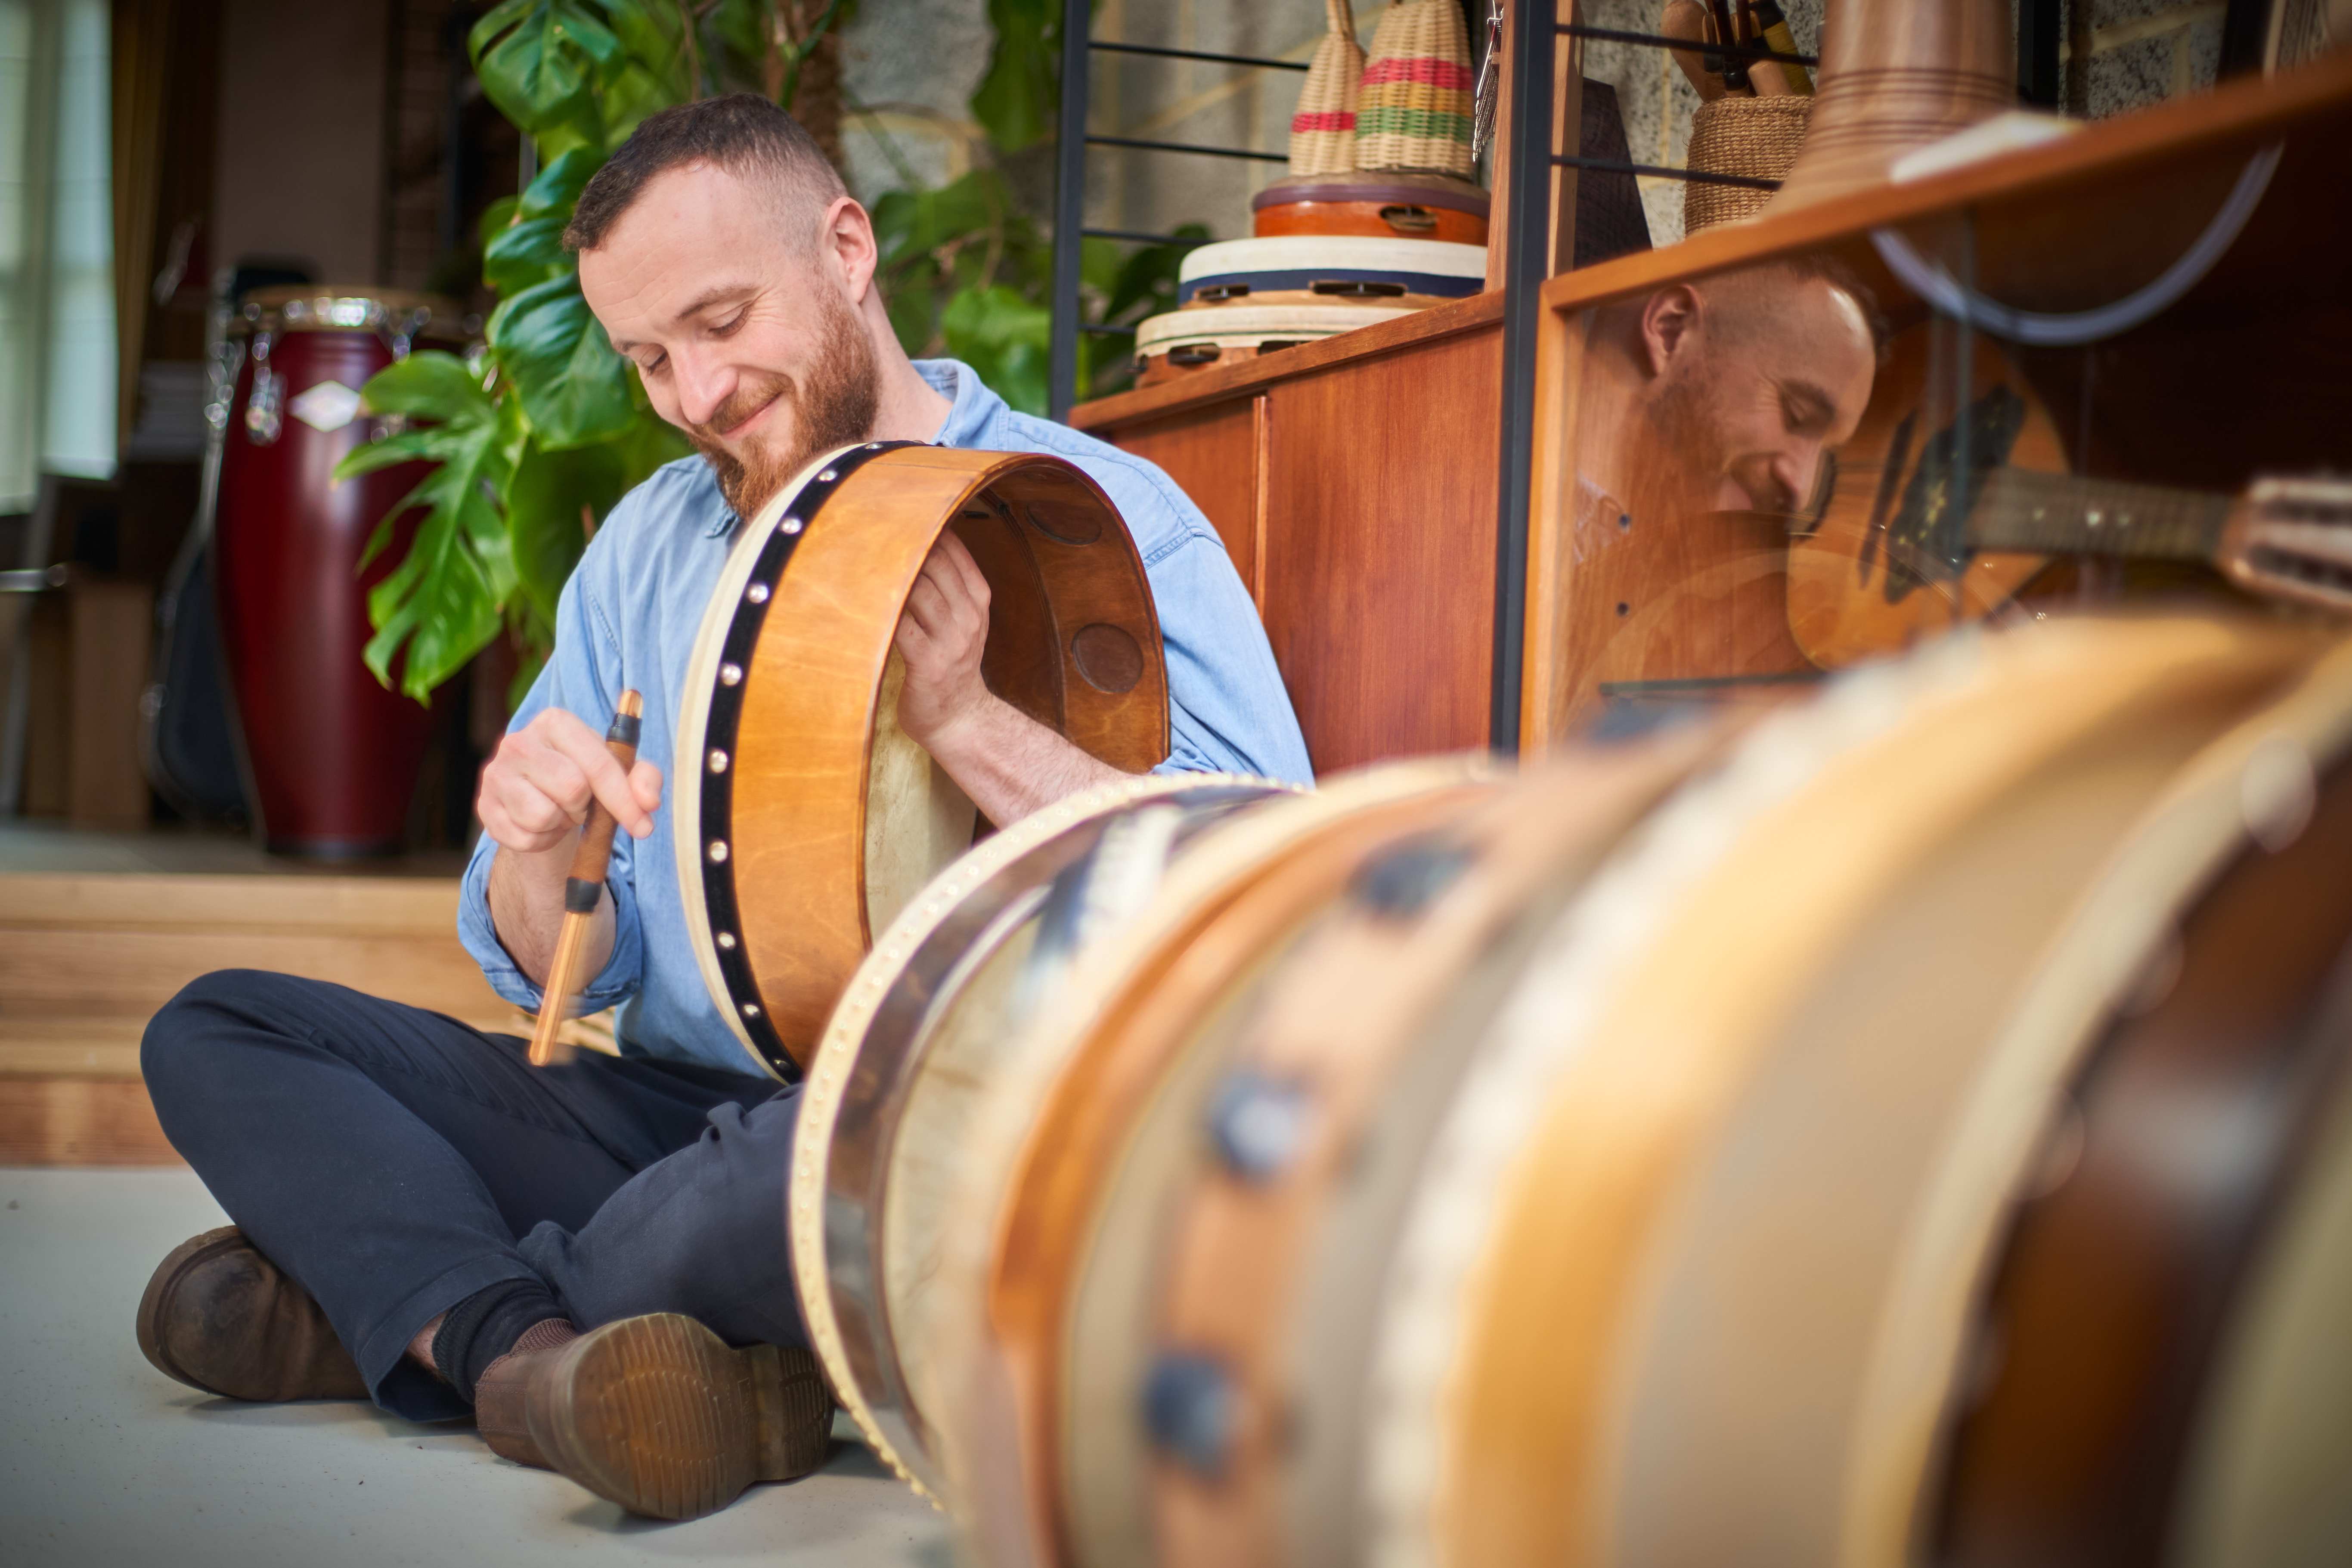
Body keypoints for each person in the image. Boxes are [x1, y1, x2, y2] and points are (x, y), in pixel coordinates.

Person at [135, 94, 1311, 1523]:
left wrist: (968, 723)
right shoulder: (645, 547)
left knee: (775, 1184)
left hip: (919, 1105)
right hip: (664, 1107)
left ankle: (411, 1308)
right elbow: (566, 959)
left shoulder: (1099, 512)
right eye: (647, 358)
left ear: (847, 248)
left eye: (721, 319)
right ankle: (549, 1354)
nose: (694, 392)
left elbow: (1267, 885)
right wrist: (542, 847)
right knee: (220, 1026)